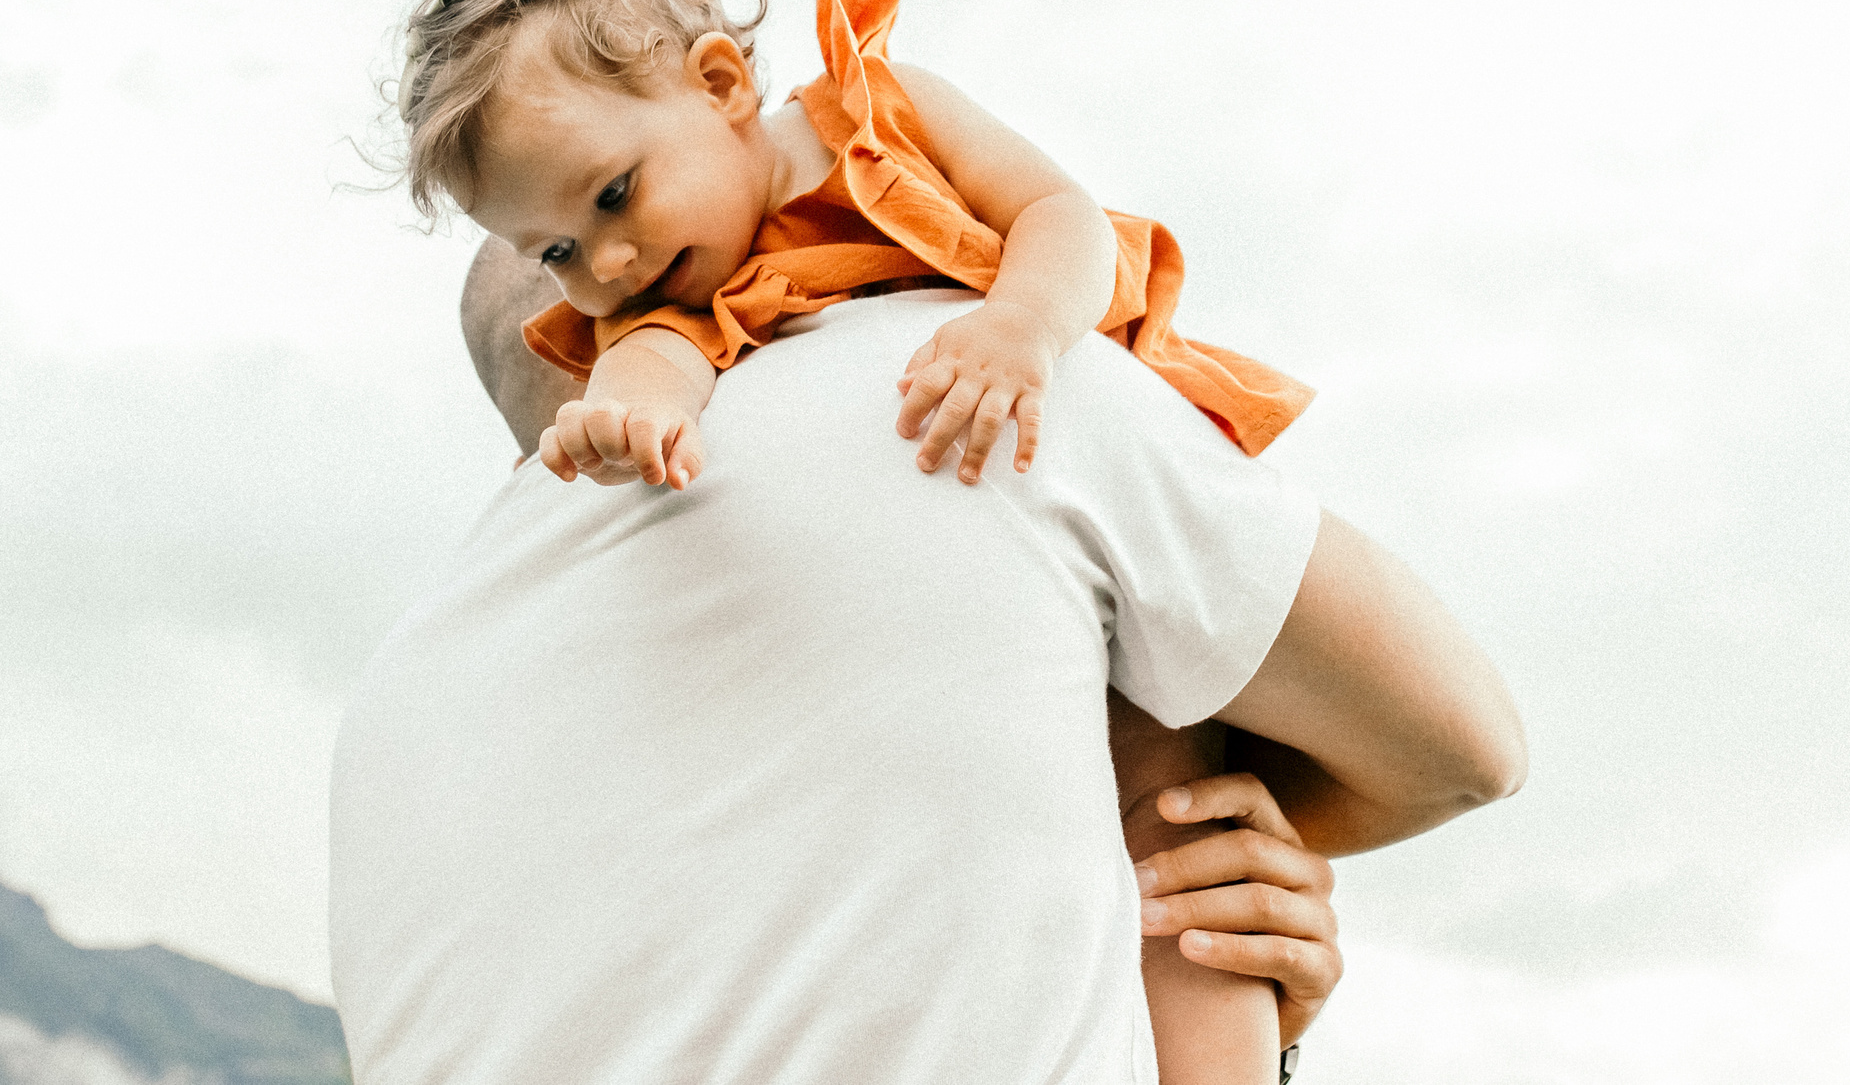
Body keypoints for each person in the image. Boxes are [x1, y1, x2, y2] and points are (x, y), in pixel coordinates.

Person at [327, 246, 1526, 1083]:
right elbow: (1466, 747)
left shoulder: (389, 707)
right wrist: (1189, 909)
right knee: (1154, 689)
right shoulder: (943, 394)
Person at [391, 0, 1310, 500]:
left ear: (718, 86)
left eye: (614, 194)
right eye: (554, 252)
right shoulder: (669, 304)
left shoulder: (880, 112)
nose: (607, 264)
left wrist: (1022, 321)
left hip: (1113, 424)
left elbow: (1058, 213)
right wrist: (627, 420)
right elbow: (651, 373)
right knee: (1153, 770)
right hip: (999, 504)